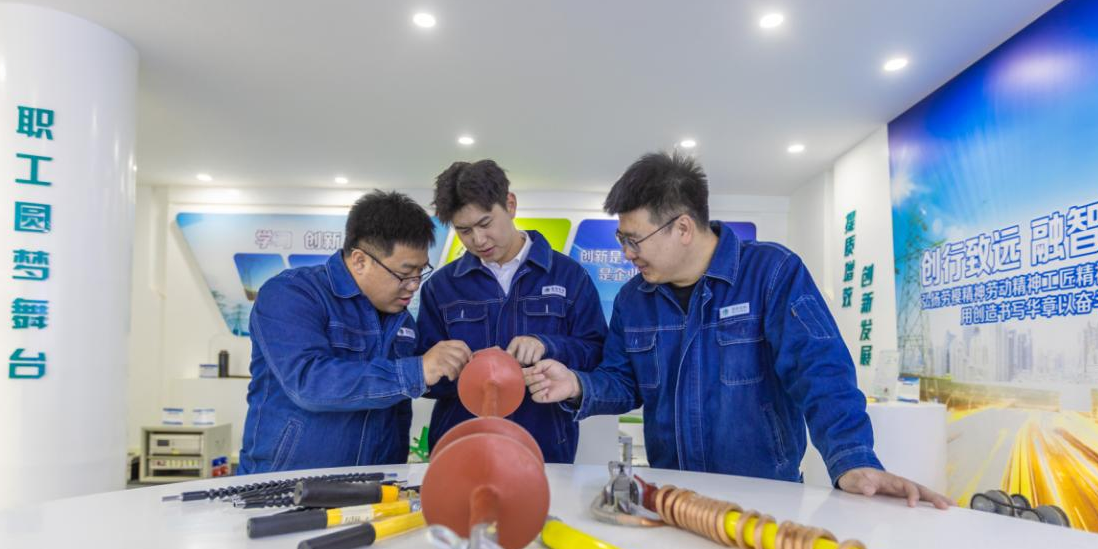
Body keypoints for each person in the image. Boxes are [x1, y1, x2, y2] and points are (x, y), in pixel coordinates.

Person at [523, 152, 952, 508]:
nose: (626, 253)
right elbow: (623, 382)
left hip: (766, 498)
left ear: (683, 228)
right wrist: (576, 384)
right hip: (675, 499)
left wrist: (852, 459)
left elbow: (820, 370)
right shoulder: (634, 299)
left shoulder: (772, 273)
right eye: (622, 239)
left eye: (634, 240)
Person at [238, 190, 471, 474]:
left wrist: (483, 368)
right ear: (360, 260)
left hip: (375, 485)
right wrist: (416, 371)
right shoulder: (292, 294)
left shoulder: (402, 322)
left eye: (420, 271)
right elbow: (309, 383)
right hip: (286, 484)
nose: (414, 285)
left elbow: (415, 391)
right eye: (404, 273)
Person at [417, 160, 607, 462]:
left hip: (544, 447)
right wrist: (461, 368)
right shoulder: (441, 287)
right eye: (464, 230)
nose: (478, 240)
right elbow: (427, 381)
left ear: (510, 205)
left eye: (485, 224)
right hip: (462, 448)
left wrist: (548, 346)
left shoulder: (569, 276)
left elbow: (597, 354)